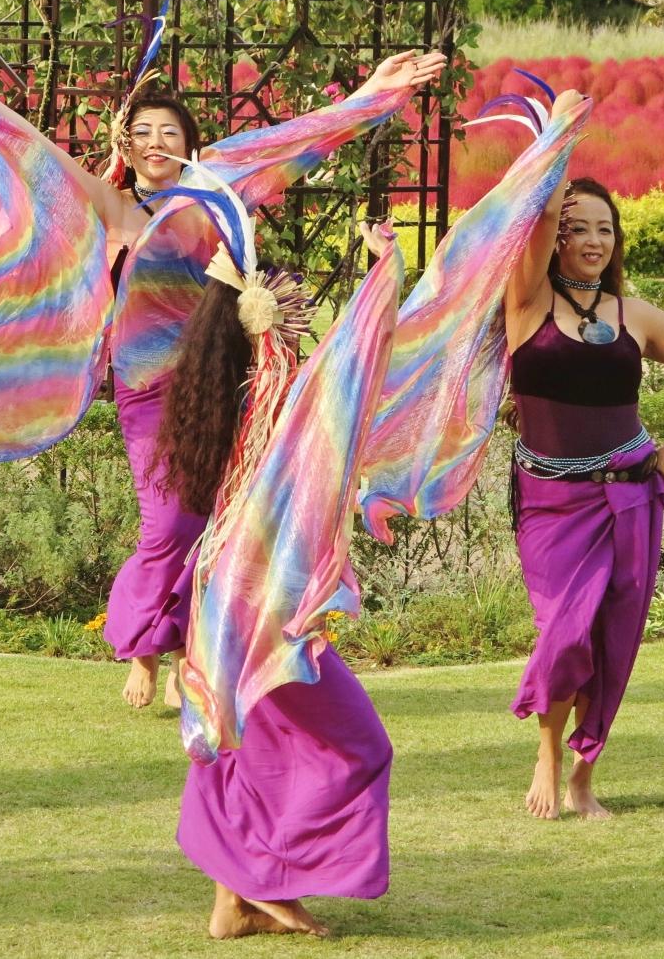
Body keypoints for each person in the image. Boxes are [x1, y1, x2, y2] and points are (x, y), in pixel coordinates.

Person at [0, 43, 444, 709]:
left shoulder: (219, 189)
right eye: (142, 133)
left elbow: (299, 140)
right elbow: (42, 161)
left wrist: (373, 92)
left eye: (169, 132)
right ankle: (141, 645)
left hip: (224, 383)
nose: (156, 143)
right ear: (127, 147)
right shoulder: (117, 209)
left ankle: (190, 654)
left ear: (191, 144)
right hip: (148, 391)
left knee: (220, 520)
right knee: (166, 526)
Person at [157, 220, 402, 939]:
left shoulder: (219, 392)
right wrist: (384, 275)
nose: (302, 313)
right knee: (358, 745)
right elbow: (354, 363)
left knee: (245, 742)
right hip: (259, 601)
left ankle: (232, 903)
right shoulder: (277, 394)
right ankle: (260, 881)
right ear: (264, 316)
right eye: (290, 301)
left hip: (225, 589)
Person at [504, 91, 664, 820]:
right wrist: (560, 141)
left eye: (605, 229)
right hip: (550, 502)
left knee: (611, 639)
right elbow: (539, 214)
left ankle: (583, 775)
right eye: (578, 228)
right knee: (564, 630)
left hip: (630, 494)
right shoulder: (526, 304)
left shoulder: (636, 316)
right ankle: (547, 752)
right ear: (555, 239)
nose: (592, 240)